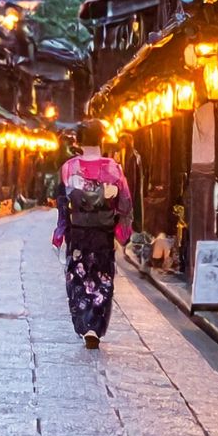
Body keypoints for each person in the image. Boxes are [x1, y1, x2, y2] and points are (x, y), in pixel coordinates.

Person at [52, 120, 132, 349]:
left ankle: (83, 322)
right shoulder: (113, 168)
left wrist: (60, 233)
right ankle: (95, 326)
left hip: (77, 233)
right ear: (102, 139)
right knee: (102, 277)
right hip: (103, 232)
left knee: (77, 277)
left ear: (78, 141)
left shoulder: (69, 168)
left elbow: (62, 204)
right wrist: (122, 231)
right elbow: (125, 202)